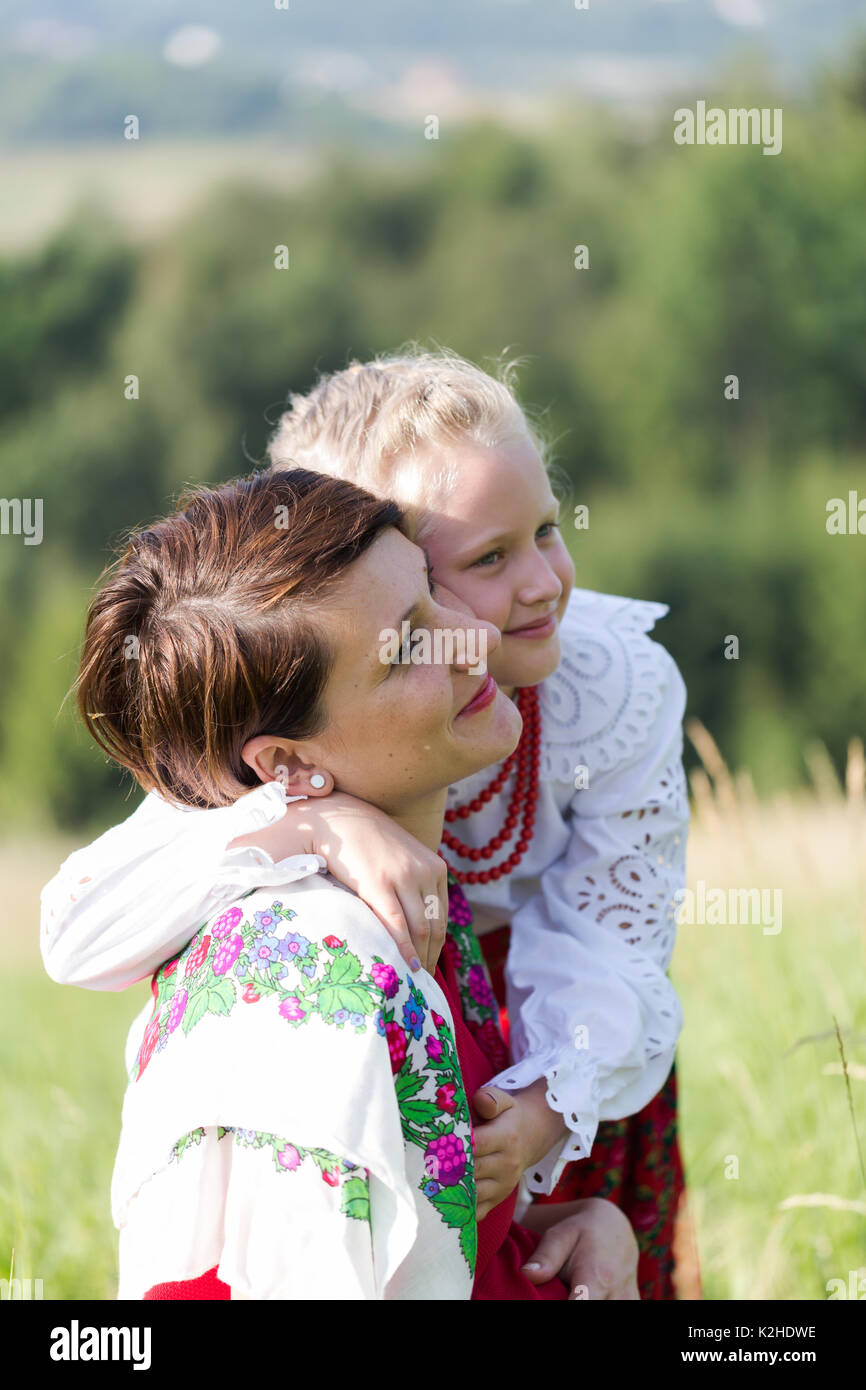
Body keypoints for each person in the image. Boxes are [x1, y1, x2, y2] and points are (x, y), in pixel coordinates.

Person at [42, 346, 690, 1296]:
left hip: (573, 1036)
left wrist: (555, 1100)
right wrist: (312, 825)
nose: (546, 583)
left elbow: (610, 928)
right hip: (410, 995)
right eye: (487, 559)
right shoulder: (286, 706)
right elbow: (82, 923)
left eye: (547, 530)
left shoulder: (607, 684)